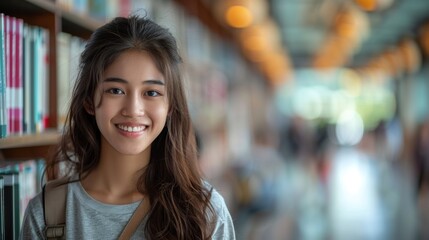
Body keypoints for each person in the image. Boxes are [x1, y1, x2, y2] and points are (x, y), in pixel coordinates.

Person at [20, 15, 235, 240]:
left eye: (151, 93)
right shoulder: (47, 214)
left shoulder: (205, 213)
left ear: (170, 107)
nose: (133, 109)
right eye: (116, 90)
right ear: (89, 101)